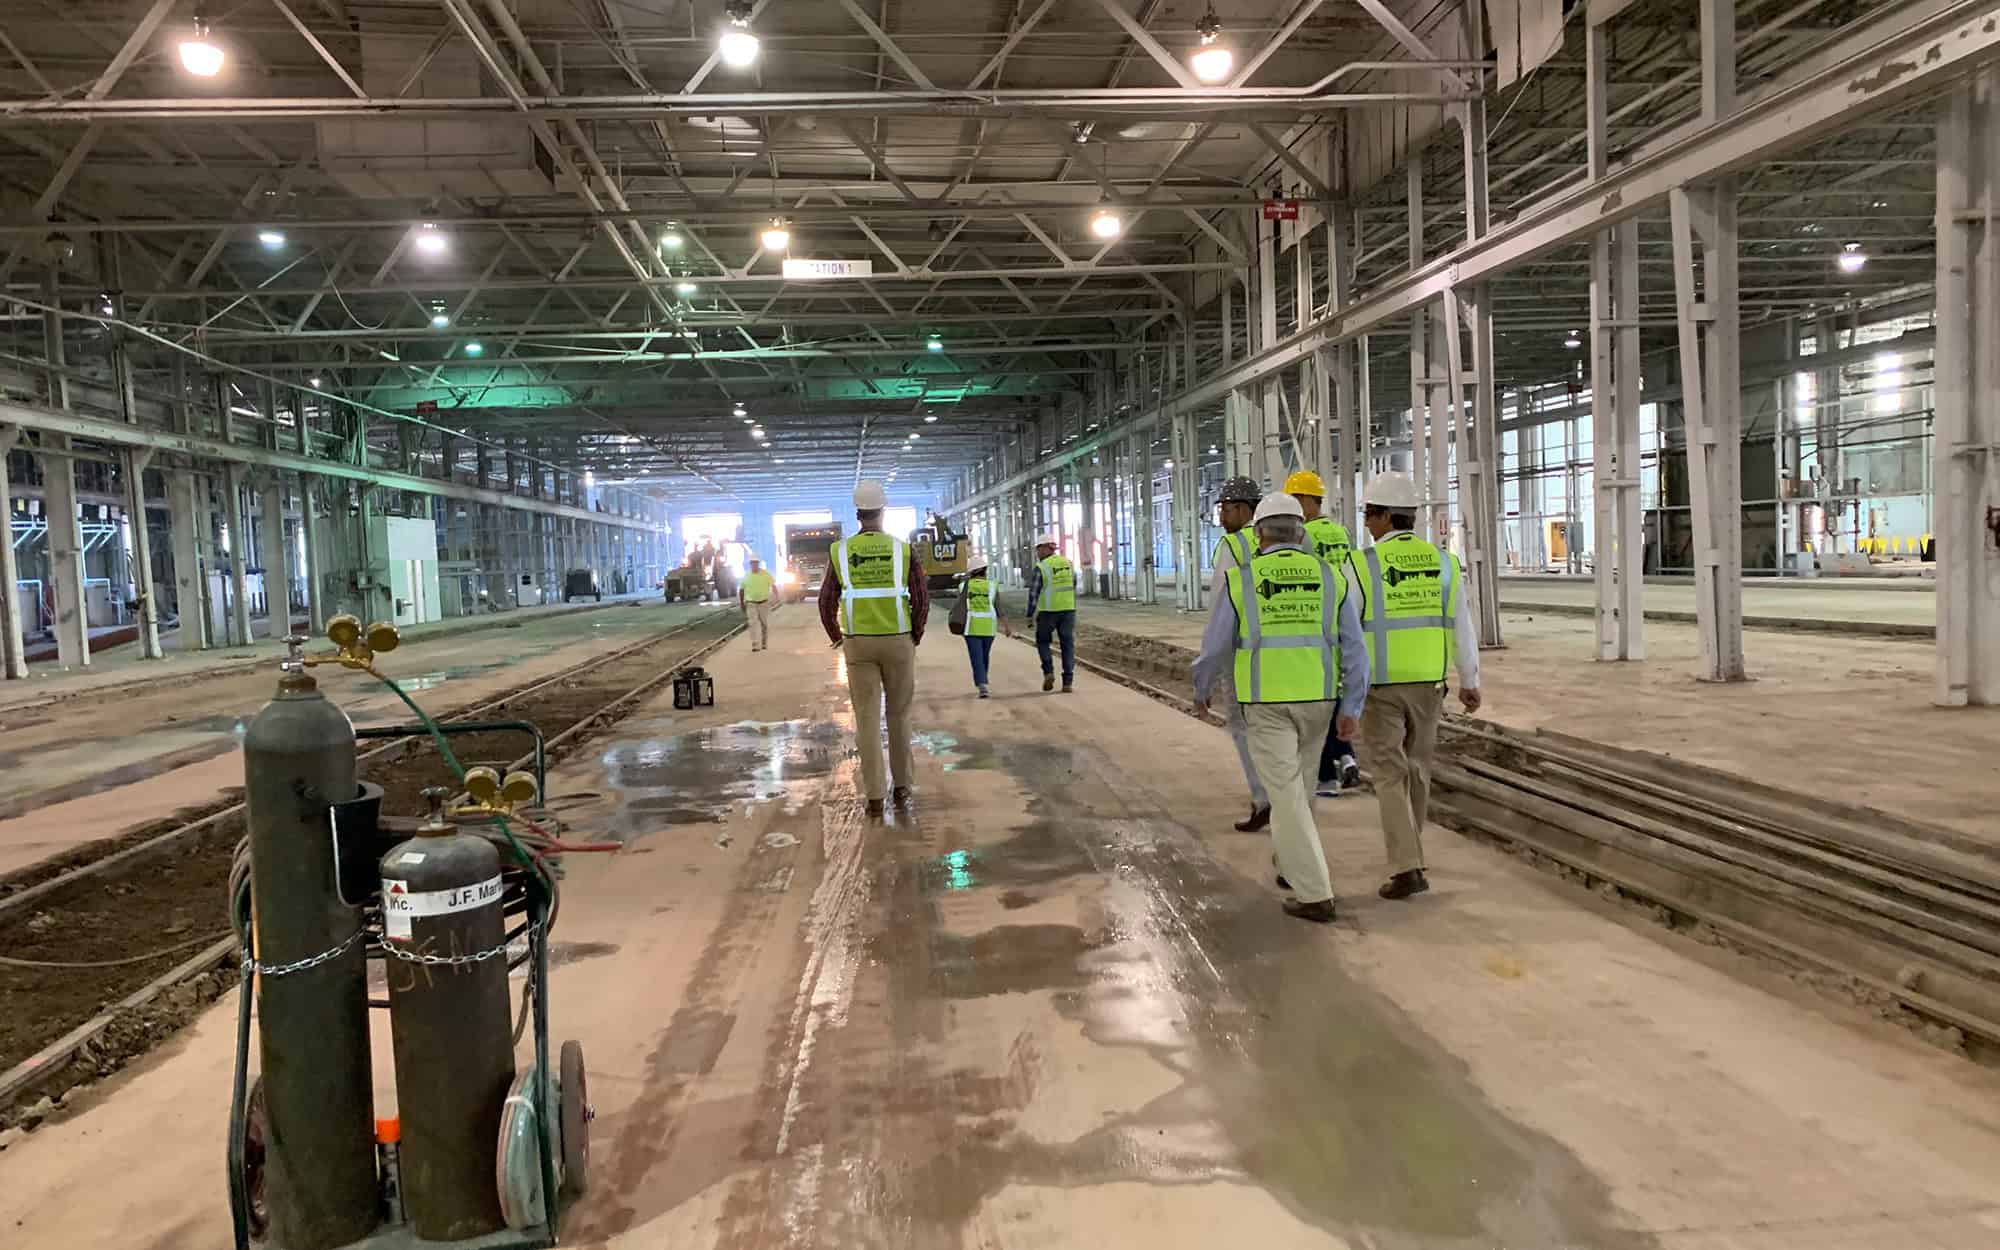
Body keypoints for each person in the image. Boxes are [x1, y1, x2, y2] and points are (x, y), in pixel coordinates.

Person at [1192, 494, 1368, 923]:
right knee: (1302, 790)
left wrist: (1201, 688)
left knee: (1285, 797)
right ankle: (1290, 867)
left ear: (1258, 534)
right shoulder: (1330, 577)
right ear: (1301, 532)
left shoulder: (1242, 580)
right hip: (1320, 701)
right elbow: (1355, 648)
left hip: (1266, 702)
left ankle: (1316, 893)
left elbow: (1215, 647)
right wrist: (1352, 705)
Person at [1348, 471, 1483, 900]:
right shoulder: (1444, 563)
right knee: (1418, 771)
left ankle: (1407, 867)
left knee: (1389, 775)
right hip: (1430, 684)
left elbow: (1348, 633)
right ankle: (1413, 851)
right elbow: (1462, 625)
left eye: (1370, 514)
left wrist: (1345, 691)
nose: (1367, 522)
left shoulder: (1361, 564)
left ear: (1388, 517)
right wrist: (1470, 679)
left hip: (1381, 686)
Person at [819, 481, 930, 816]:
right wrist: (915, 635)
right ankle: (902, 788)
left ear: (857, 514)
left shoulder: (840, 551)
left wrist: (837, 635)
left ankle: (874, 798)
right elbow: (922, 597)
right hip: (898, 639)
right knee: (899, 715)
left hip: (859, 644)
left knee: (867, 720)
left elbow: (826, 600)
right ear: (882, 512)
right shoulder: (902, 549)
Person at [1286, 469, 1363, 799]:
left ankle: (1326, 776)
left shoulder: (1304, 537)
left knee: (1319, 697)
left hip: (1317, 620)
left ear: (1305, 500)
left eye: (1293, 501)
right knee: (1336, 692)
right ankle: (1346, 756)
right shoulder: (1340, 531)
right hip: (1345, 612)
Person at [1209, 476, 1274, 833]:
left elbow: (1222, 603)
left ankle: (1263, 798)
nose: (1222, 515)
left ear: (1245, 509)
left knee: (1241, 725)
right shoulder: (1277, 539)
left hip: (1242, 651)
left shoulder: (1232, 546)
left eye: (1227, 508)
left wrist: (1213, 656)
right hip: (1281, 649)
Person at [1025, 531, 1076, 693]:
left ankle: (1048, 672)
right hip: (1068, 610)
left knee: (1042, 642)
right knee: (1067, 644)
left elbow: (1033, 593)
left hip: (1048, 611)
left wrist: (1029, 615)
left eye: (1038, 549)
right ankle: (1067, 682)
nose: (1037, 553)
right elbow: (1073, 584)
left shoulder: (1041, 567)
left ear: (1046, 548)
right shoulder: (1068, 563)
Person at [954, 552, 1003, 698]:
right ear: (985, 570)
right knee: (984, 656)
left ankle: (982, 685)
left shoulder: (964, 586)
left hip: (971, 627)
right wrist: (1006, 625)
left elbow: (959, 605)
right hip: (989, 628)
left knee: (976, 657)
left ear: (971, 572)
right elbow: (999, 607)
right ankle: (983, 682)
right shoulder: (993, 586)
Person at [740, 556, 775, 652]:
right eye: (752, 563)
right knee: (752, 623)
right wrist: (742, 603)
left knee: (764, 624)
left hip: (763, 603)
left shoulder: (765, 574)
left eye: (755, 563)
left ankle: (764, 643)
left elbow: (773, 585)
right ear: (750, 564)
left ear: (758, 564)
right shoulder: (747, 576)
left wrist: (776, 597)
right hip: (751, 603)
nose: (754, 565)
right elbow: (741, 589)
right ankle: (755, 644)